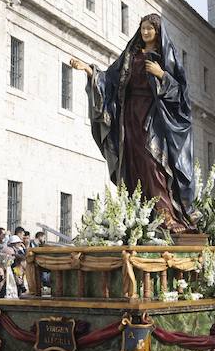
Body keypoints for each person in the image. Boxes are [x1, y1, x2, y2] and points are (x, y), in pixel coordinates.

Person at [70, 13, 196, 231]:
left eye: (150, 28)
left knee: (153, 163)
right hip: (129, 117)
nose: (146, 32)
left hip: (154, 116)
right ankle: (139, 216)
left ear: (158, 32)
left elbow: (181, 95)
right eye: (143, 28)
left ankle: (166, 216)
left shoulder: (167, 56)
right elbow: (110, 79)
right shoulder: (131, 55)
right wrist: (89, 70)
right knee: (133, 164)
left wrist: (162, 75)